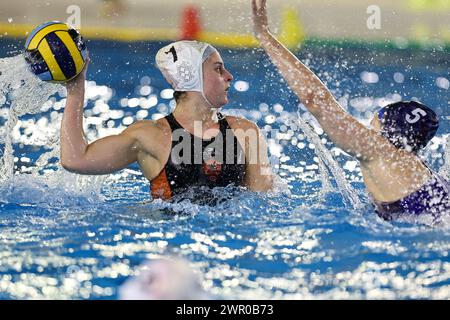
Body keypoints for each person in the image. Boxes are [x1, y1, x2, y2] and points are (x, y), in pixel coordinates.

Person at [251, 0, 449, 220]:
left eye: (373, 121)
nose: (365, 127)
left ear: (385, 129)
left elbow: (315, 99)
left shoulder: (380, 151)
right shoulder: (421, 170)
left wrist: (265, 35)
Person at [61, 40, 273, 201]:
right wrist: (75, 89)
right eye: (218, 69)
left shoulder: (246, 132)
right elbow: (75, 159)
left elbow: (263, 202)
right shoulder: (149, 136)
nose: (229, 76)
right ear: (192, 77)